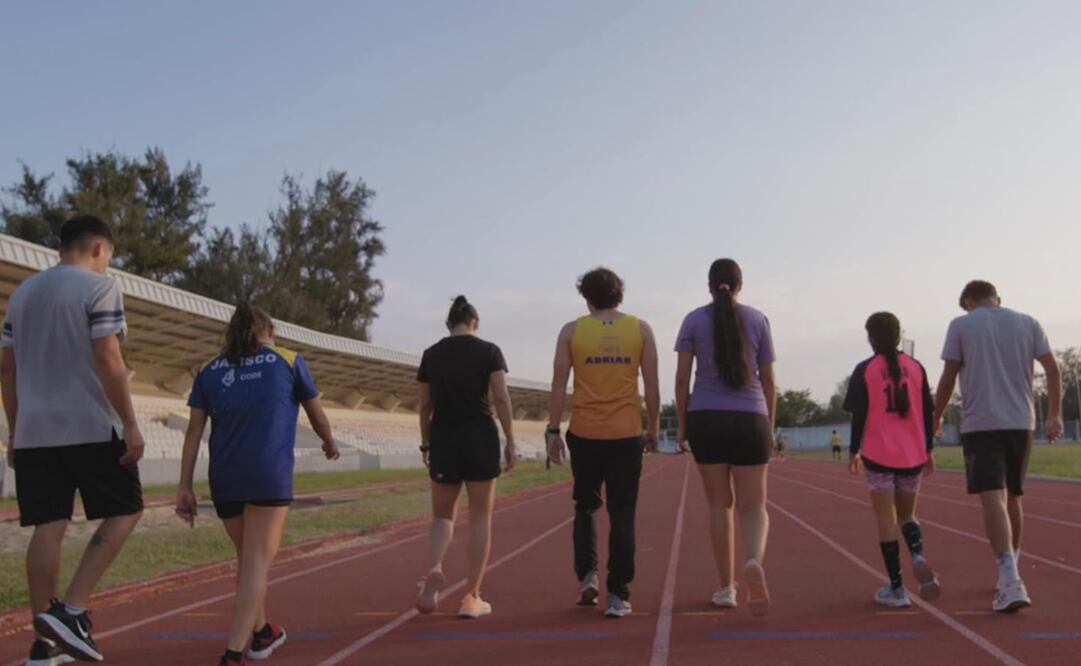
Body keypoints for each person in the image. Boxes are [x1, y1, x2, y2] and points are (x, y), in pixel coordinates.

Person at [0, 215, 145, 664]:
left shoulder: (21, 295)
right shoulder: (98, 288)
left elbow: (7, 369)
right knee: (126, 508)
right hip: (87, 423)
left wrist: (15, 429)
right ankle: (73, 610)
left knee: (48, 525)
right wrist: (132, 423)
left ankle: (43, 645)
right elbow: (108, 358)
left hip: (34, 430)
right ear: (100, 249)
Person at [175, 303, 340, 665]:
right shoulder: (288, 360)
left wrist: (184, 485)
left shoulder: (209, 370)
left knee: (250, 561)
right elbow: (316, 414)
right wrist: (329, 444)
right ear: (270, 332)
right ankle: (233, 652)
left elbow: (193, 433)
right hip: (267, 475)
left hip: (225, 478)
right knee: (255, 565)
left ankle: (264, 632)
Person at [932, 280, 1062, 613]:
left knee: (993, 498)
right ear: (997, 298)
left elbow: (948, 377)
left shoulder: (961, 325)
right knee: (1014, 497)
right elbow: (1052, 368)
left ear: (969, 301)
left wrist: (935, 417)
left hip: (982, 422)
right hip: (1022, 421)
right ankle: (1010, 572)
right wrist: (1054, 415)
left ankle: (1010, 577)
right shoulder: (1027, 322)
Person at [547, 267, 660, 619]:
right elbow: (653, 385)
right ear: (619, 295)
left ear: (587, 298)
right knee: (622, 513)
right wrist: (653, 427)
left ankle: (588, 576)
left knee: (585, 506)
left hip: (585, 433)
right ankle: (618, 595)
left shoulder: (572, 331)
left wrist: (552, 430)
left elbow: (558, 384)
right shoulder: (640, 329)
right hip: (626, 434)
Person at [674, 258, 776, 616]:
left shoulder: (692, 320)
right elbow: (769, 380)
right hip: (751, 419)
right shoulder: (758, 320)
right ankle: (753, 560)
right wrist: (770, 425)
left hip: (706, 417)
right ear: (739, 285)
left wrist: (684, 427)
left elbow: (682, 380)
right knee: (754, 506)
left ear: (709, 285)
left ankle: (725, 588)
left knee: (720, 505)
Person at [414, 296, 516, 619]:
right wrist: (510, 439)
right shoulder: (489, 351)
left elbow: (424, 406)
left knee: (443, 516)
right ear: (475, 323)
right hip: (479, 435)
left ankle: (434, 567)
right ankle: (472, 596)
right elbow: (500, 396)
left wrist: (425, 443)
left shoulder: (431, 354)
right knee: (480, 518)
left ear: (449, 325)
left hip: (444, 435)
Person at [844, 312, 940, 608]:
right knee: (908, 515)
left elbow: (859, 415)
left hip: (877, 454)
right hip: (912, 454)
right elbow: (927, 413)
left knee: (886, 520)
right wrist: (928, 450)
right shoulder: (917, 368)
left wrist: (853, 451)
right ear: (899, 336)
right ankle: (918, 554)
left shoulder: (865, 370)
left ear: (871, 339)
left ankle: (897, 589)